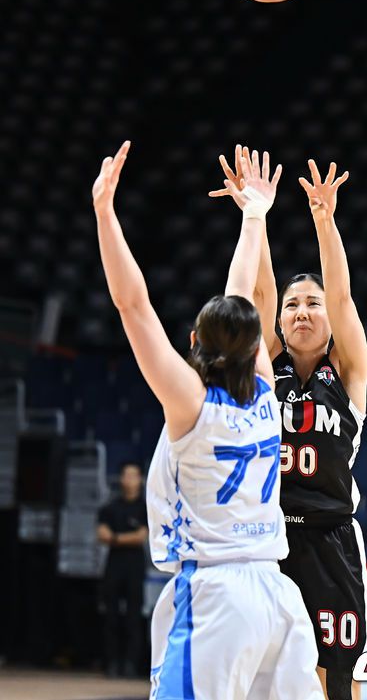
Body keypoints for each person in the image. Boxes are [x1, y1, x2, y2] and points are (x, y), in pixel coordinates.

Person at [93, 140, 323, 700]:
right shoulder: (266, 389)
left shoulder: (190, 404)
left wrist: (104, 213)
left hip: (217, 595)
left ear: (195, 341)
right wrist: (254, 215)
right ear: (255, 347)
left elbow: (133, 305)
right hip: (278, 595)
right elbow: (240, 295)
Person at [212, 146, 367, 700]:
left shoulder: (348, 371)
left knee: (336, 681)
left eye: (312, 303)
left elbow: (343, 297)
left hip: (331, 537)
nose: (302, 310)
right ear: (280, 322)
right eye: (292, 304)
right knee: (258, 679)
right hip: (267, 541)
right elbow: (258, 293)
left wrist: (324, 221)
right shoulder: (266, 370)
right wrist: (253, 212)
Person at [97, 461, 148, 677]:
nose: (129, 480)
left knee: (133, 616)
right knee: (111, 615)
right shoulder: (110, 508)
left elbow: (141, 537)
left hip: (134, 565)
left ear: (140, 479)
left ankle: (131, 663)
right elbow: (102, 534)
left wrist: (116, 538)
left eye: (133, 475)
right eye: (126, 475)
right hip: (114, 564)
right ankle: (111, 662)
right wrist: (123, 538)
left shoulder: (146, 508)